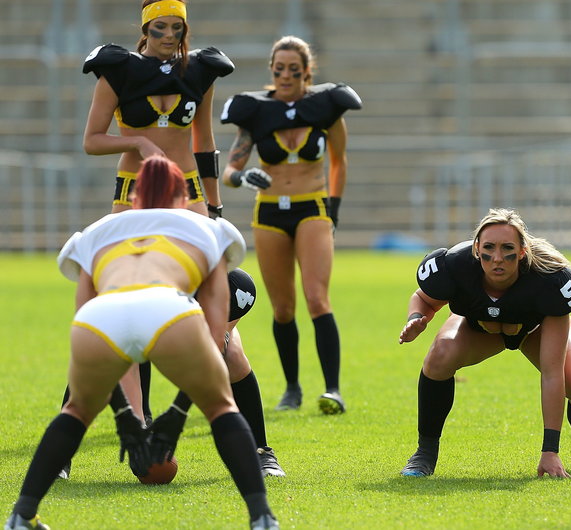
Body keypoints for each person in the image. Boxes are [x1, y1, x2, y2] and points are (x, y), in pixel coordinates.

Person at [3, 156, 279, 530]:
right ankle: (262, 518)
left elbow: (88, 315)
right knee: (220, 406)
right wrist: (178, 415)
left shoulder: (97, 232)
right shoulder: (207, 229)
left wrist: (123, 418)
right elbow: (216, 336)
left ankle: (21, 515)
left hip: (100, 320)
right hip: (168, 308)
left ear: (133, 197)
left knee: (75, 412)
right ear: (183, 197)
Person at [79, 0, 283, 478]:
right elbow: (92, 139)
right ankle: (128, 428)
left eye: (177, 27)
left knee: (217, 317)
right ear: (145, 30)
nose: (169, 35)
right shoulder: (117, 69)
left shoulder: (202, 70)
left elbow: (204, 143)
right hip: (134, 196)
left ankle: (260, 450)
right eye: (160, 27)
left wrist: (212, 206)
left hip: (188, 195)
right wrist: (138, 142)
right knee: (122, 312)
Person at [397, 208, 571, 478]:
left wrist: (550, 450)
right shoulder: (456, 265)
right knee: (440, 354)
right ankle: (424, 453)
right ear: (477, 249)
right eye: (489, 248)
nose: (497, 258)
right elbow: (425, 298)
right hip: (480, 330)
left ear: (523, 251)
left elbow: (551, 372)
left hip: (536, 330)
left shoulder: (549, 279)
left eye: (507, 248)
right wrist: (417, 318)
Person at [220, 35, 362, 414]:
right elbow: (229, 171)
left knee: (317, 297)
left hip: (311, 206)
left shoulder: (327, 106)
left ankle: (332, 389)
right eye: (279, 69)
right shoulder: (255, 110)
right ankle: (292, 388)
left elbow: (338, 161)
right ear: (271, 70)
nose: (285, 76)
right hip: (268, 212)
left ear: (307, 72)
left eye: (293, 70)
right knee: (282, 307)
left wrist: (334, 209)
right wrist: (244, 177)